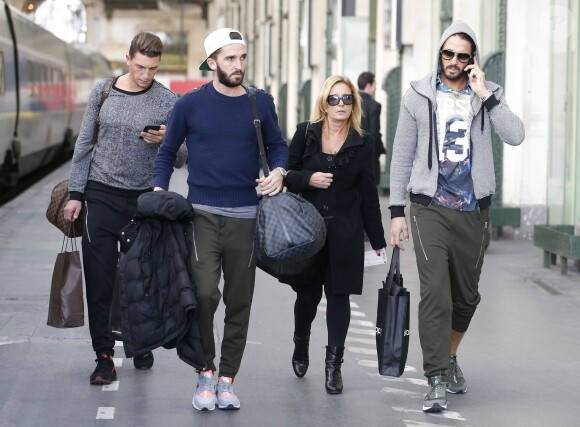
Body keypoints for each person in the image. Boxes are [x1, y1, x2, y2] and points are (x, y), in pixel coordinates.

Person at [389, 20, 525, 413]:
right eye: (447, 54)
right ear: (439, 54)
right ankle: (434, 378)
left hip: (474, 211)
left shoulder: (488, 94)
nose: (453, 61)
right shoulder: (417, 94)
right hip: (429, 207)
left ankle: (449, 357)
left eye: (461, 56)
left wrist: (485, 93)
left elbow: (515, 135)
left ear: (472, 60)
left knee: (465, 297)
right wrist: (397, 211)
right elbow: (401, 156)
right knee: (435, 294)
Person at [152, 28, 288, 412]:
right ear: (211, 62)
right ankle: (204, 371)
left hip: (248, 215)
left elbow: (278, 145)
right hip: (202, 214)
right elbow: (166, 153)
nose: (238, 65)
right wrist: (159, 192)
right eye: (230, 58)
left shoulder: (259, 102)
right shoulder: (190, 105)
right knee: (204, 293)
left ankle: (227, 378)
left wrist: (279, 171)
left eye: (242, 58)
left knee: (239, 301)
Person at [63, 32, 178, 385]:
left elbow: (184, 154)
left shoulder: (168, 101)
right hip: (99, 195)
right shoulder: (104, 91)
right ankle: (103, 358)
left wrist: (165, 140)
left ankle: (140, 342)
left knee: (138, 280)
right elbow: (85, 144)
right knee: (99, 282)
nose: (145, 75)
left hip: (141, 201)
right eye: (140, 66)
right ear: (128, 58)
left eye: (153, 69)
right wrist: (74, 193)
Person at [284, 75, 386, 394]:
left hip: (346, 231)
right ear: (324, 104)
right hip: (309, 230)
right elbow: (287, 175)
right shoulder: (306, 133)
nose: (340, 104)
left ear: (354, 104)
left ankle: (333, 367)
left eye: (346, 99)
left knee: (339, 296)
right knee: (308, 296)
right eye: (334, 99)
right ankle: (301, 343)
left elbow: (368, 193)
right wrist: (309, 179)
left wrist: (378, 240)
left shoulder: (362, 141)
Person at [357, 72, 386, 185]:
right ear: (368, 85)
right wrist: (380, 150)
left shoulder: (350, 103)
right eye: (375, 84)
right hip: (369, 155)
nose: (376, 88)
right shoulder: (374, 105)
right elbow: (374, 133)